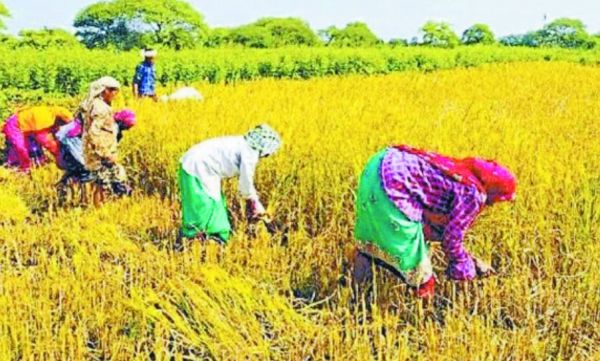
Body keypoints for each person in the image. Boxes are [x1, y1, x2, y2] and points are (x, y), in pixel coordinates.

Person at [352, 145, 517, 299]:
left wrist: (473, 260)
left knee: (369, 245)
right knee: (419, 270)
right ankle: (421, 314)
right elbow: (452, 239)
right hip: (394, 183)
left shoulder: (457, 172)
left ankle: (354, 294)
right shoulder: (473, 195)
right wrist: (464, 268)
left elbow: (434, 228)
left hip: (377, 166)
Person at [177, 124, 282, 246]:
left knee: (210, 203)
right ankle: (200, 238)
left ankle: (206, 237)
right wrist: (255, 203)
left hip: (198, 165)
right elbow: (245, 183)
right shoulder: (250, 153)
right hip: (198, 167)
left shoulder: (241, 143)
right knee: (205, 204)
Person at [55, 109, 136, 203]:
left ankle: (69, 190)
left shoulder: (112, 124)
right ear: (122, 122)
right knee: (87, 170)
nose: (128, 128)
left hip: (74, 138)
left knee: (82, 169)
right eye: (128, 125)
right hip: (73, 139)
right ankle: (82, 199)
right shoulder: (109, 126)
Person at [81, 76, 132, 202]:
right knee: (101, 181)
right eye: (113, 90)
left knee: (101, 181)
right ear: (104, 91)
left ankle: (100, 206)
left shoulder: (98, 104)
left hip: (99, 149)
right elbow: (94, 132)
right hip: (100, 151)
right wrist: (105, 153)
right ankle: (99, 209)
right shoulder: (100, 108)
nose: (115, 94)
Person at [3, 105, 74, 172]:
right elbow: (45, 140)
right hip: (14, 125)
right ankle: (25, 168)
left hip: (28, 129)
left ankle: (33, 165)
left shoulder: (53, 116)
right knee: (20, 148)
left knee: (35, 153)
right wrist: (58, 155)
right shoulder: (45, 118)